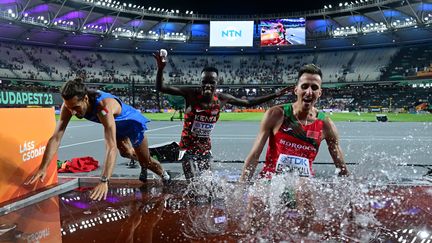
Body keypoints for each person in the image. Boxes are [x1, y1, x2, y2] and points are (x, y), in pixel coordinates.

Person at [25, 78, 170, 201]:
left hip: (131, 123)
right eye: (69, 108)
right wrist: (43, 167)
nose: (73, 112)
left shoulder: (103, 107)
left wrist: (104, 180)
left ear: (85, 99)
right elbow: (56, 137)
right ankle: (142, 163)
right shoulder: (69, 106)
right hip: (115, 126)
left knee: (146, 160)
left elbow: (110, 146)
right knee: (126, 153)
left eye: (76, 107)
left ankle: (164, 174)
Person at [153, 52, 289, 181]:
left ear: (217, 83)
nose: (207, 85)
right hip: (187, 149)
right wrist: (160, 69)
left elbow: (248, 103)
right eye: (204, 81)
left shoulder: (222, 99)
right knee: (193, 183)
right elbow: (161, 87)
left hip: (205, 149)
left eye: (211, 82)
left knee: (209, 184)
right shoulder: (191, 95)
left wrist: (275, 95)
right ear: (200, 82)